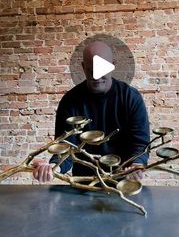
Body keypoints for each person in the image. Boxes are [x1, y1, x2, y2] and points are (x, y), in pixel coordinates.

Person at [33, 41, 150, 183]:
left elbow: (140, 143)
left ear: (113, 65)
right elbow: (66, 146)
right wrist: (54, 167)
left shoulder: (131, 98)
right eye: (91, 70)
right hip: (84, 182)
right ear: (83, 67)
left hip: (123, 182)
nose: (97, 76)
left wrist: (137, 164)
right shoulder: (70, 101)